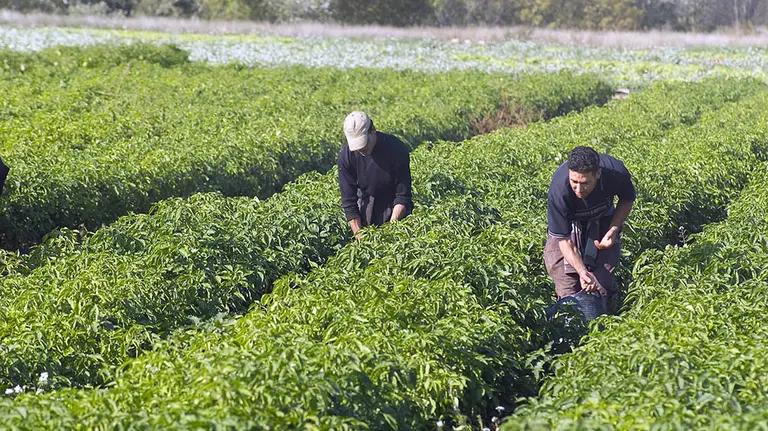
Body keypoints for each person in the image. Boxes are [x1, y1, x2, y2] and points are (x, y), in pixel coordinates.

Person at [544, 146, 635, 315]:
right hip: (570, 223)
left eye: (585, 183)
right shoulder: (559, 189)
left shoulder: (616, 173)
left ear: (598, 174)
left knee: (602, 280)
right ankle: (569, 321)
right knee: (566, 281)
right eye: (574, 182)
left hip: (603, 216)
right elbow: (564, 241)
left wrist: (614, 229)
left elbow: (627, 200)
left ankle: (605, 316)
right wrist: (582, 272)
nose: (579, 190)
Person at [338, 111, 413, 239]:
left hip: (393, 204)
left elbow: (402, 196)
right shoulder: (346, 156)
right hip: (367, 201)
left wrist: (392, 230)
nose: (361, 150)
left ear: (373, 130)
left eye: (364, 144)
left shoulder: (396, 148)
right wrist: (360, 237)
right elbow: (349, 201)